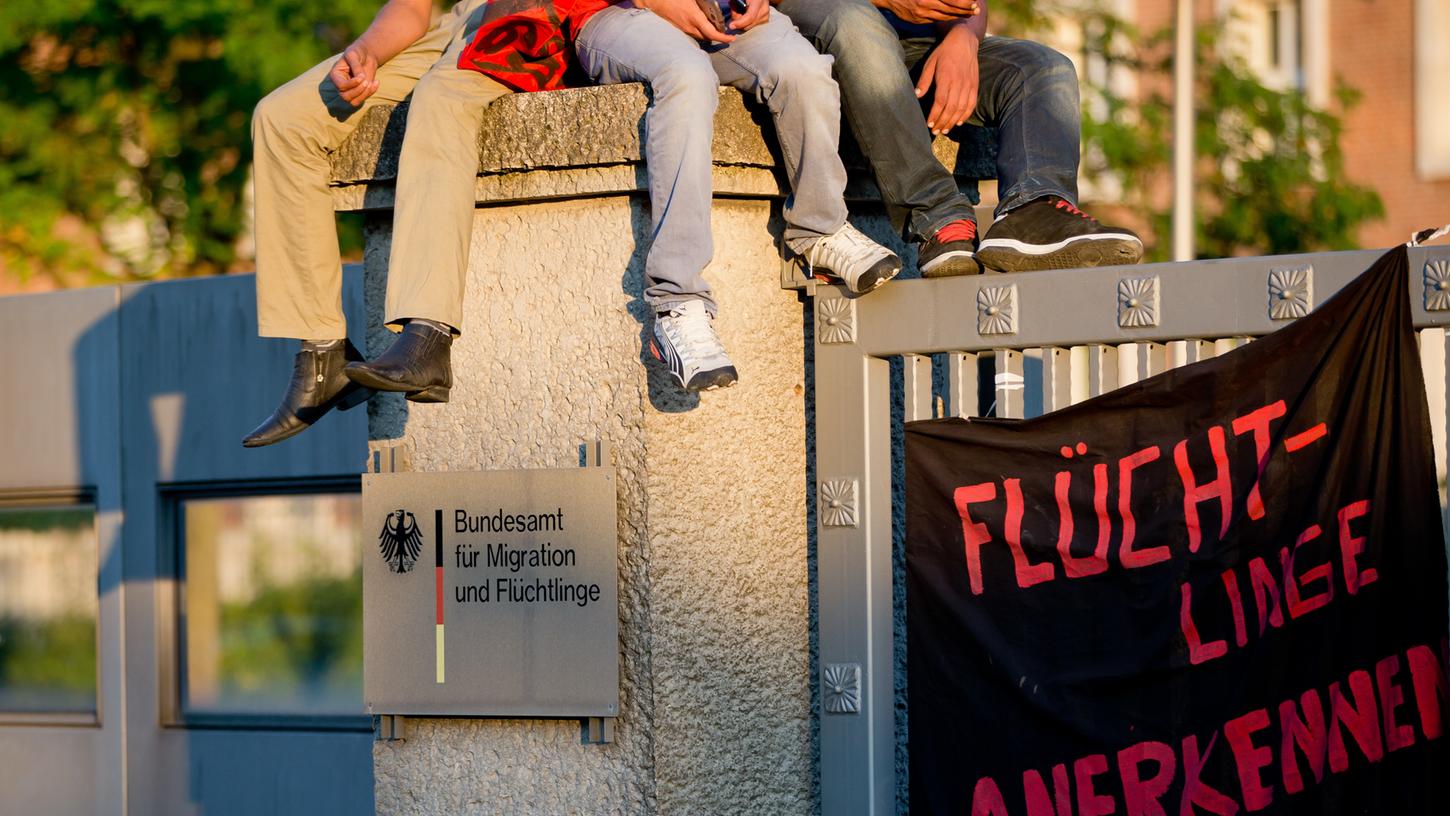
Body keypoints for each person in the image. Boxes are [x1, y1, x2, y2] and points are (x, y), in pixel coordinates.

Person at [244, 0, 612, 447]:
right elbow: (411, 8)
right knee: (282, 119)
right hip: (454, 24)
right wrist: (367, 53)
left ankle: (428, 338)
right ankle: (323, 354)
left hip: (536, 19)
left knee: (441, 99)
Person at [573, 0, 902, 392]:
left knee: (803, 69)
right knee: (687, 76)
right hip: (617, 14)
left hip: (723, 12)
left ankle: (820, 230)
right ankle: (677, 302)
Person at [772, 0, 1144, 276]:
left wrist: (963, 37)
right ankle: (936, 217)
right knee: (857, 22)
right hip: (825, 37)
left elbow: (969, 4)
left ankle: (1032, 211)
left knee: (1042, 67)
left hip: (915, 50)